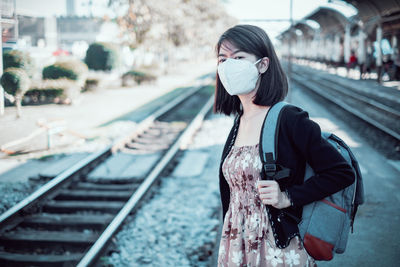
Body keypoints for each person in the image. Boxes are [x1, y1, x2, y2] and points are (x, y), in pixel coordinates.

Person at [214, 25, 355, 267]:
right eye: (222, 59)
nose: (228, 66)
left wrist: (288, 197)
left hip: (277, 248)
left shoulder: (289, 118)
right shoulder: (239, 121)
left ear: (262, 65)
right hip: (237, 245)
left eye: (238, 58)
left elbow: (341, 172)